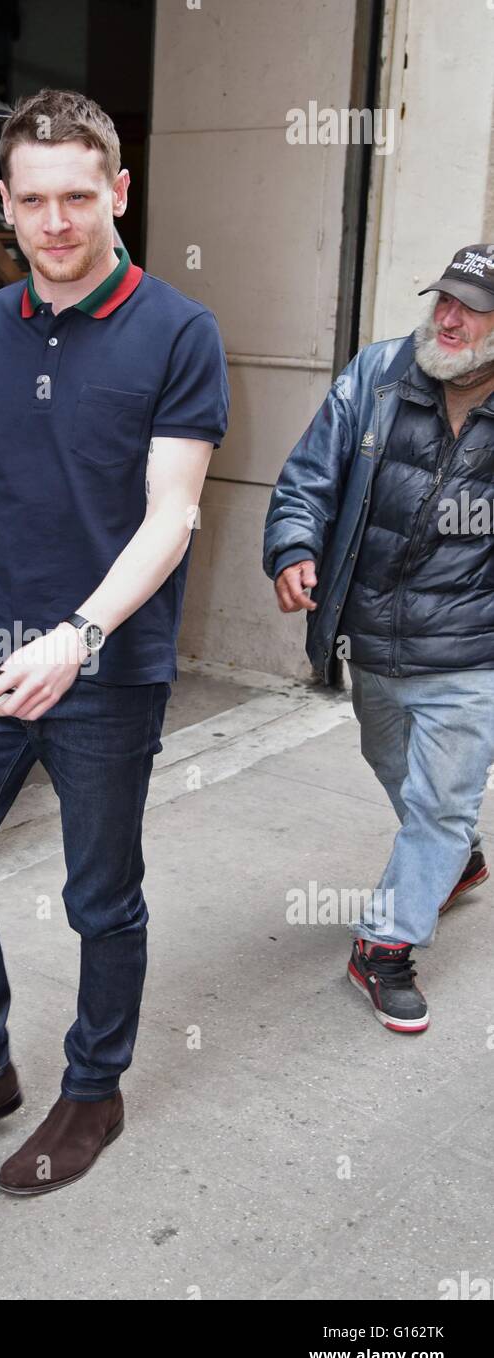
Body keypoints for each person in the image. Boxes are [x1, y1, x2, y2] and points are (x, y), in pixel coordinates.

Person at [0, 87, 228, 1194]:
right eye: (33, 201)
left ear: (118, 192)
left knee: (98, 897)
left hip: (107, 668)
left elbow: (171, 515)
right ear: (5, 207)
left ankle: (92, 1089)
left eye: (79, 196)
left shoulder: (178, 332)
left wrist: (79, 634)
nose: (57, 222)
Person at [264, 244, 494, 1033]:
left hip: (470, 650)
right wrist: (293, 547)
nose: (448, 317)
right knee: (393, 767)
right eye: (443, 300)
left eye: (469, 307)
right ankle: (455, 858)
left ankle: (384, 946)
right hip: (373, 637)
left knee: (439, 800)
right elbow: (307, 477)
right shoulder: (377, 376)